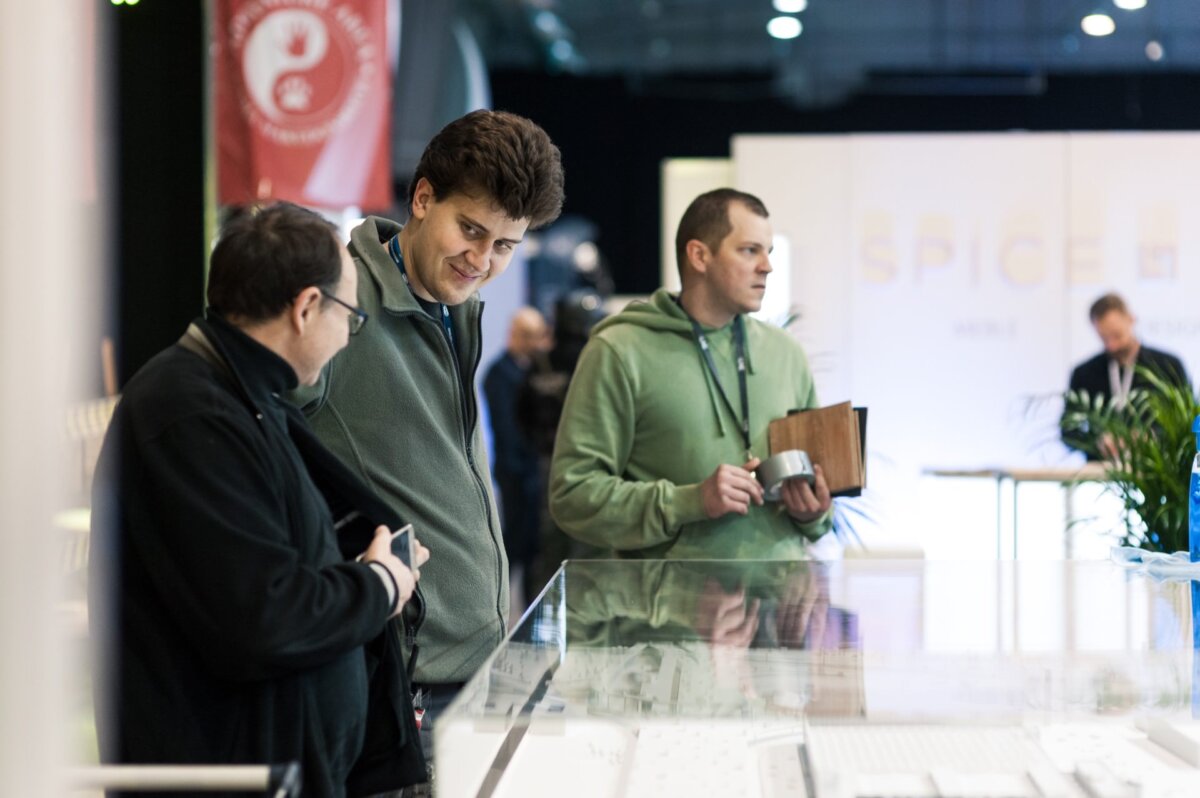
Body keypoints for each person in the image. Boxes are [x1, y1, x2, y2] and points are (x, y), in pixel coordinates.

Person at [89, 202, 431, 797]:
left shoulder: (234, 395)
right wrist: (377, 586)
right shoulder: (189, 412)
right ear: (305, 308)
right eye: (350, 314)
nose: (350, 334)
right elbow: (263, 615)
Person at [289, 110, 564, 753]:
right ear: (422, 197)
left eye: (503, 246)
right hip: (407, 686)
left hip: (486, 671)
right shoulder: (341, 300)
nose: (482, 259)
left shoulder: (453, 311)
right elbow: (254, 438)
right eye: (470, 230)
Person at [549, 188, 832, 560]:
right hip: (674, 612)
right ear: (699, 255)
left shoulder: (786, 353)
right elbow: (573, 498)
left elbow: (815, 496)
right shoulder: (620, 350)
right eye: (750, 250)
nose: (767, 266)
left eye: (769, 252)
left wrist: (813, 514)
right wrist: (689, 501)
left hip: (779, 607)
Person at [1063, 292, 1190, 458]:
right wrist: (1098, 442)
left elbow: (1187, 422)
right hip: (1102, 472)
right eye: (1104, 338)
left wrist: (1154, 437)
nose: (1112, 345)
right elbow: (1068, 430)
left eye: (1117, 335)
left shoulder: (1168, 366)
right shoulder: (1084, 373)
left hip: (1159, 473)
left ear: (1131, 319)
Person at [483, 307, 551, 605]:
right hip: (515, 472)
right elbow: (508, 428)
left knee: (534, 548)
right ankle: (502, 604)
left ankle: (527, 606)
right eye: (533, 336)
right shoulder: (500, 374)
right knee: (516, 544)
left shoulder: (532, 370)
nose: (539, 343)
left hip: (533, 470)